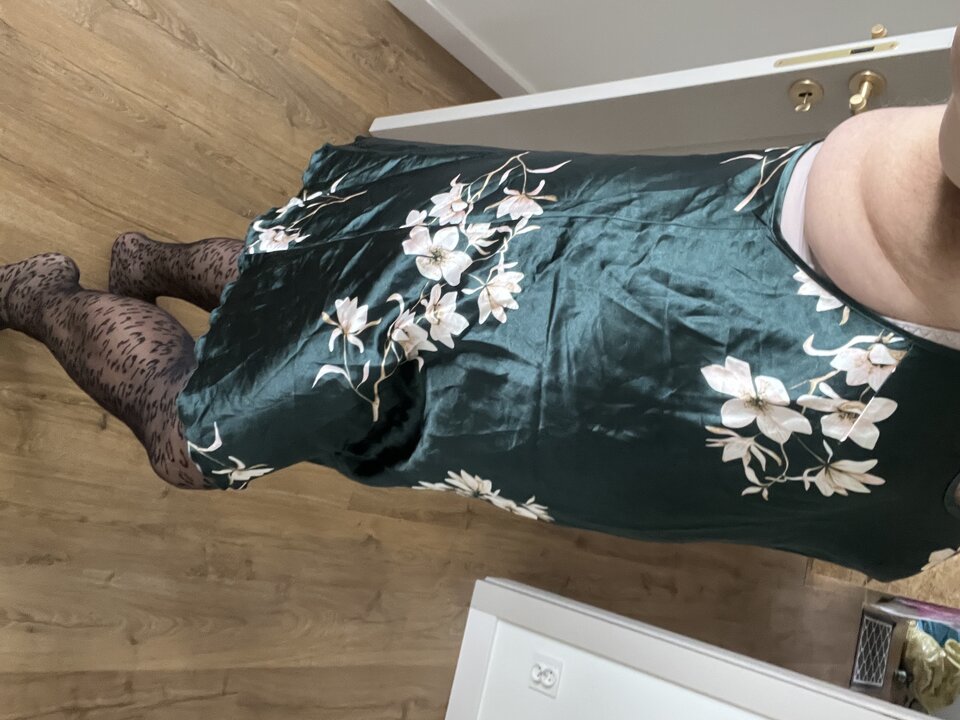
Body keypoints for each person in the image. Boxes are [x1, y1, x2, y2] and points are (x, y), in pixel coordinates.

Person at [5, 34, 960, 583]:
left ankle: (146, 260)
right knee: (202, 433)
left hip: (601, 376)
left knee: (317, 284)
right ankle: (50, 296)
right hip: (598, 303)